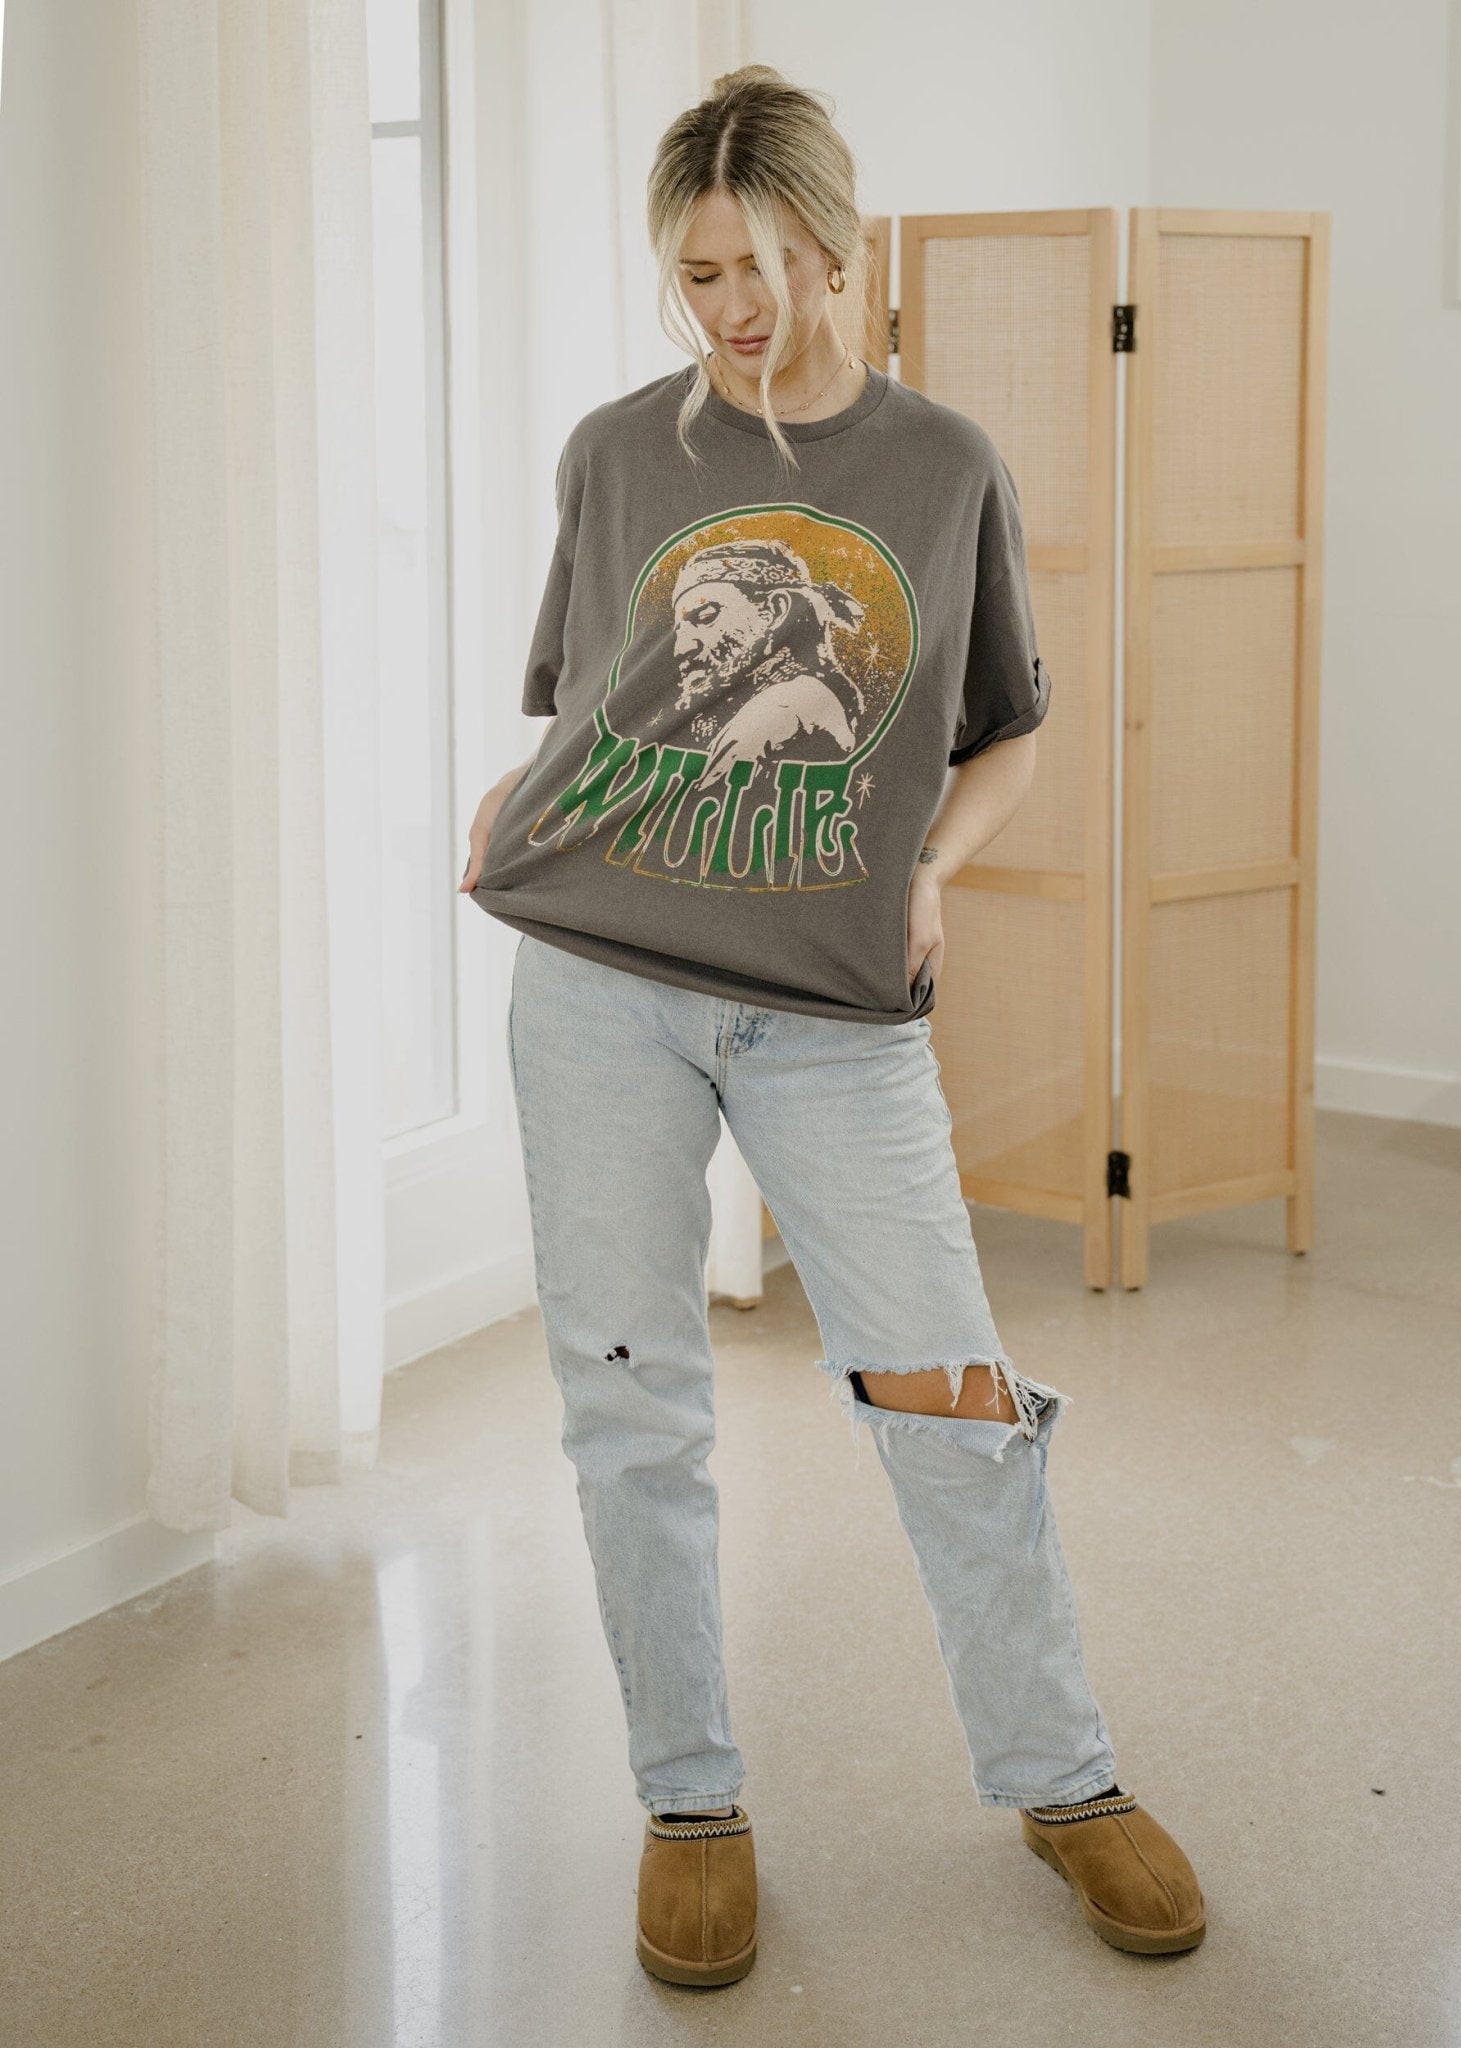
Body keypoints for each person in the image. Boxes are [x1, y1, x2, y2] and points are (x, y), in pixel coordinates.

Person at [460, 65, 1205, 1987]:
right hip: (597, 985)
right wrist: (523, 801)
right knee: (631, 1403)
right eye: (697, 271)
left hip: (832, 1014)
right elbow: (590, 705)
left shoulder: (943, 467)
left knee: (947, 1388)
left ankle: (1064, 1778)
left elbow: (1008, 731)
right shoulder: (615, 453)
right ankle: (689, 1800)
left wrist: (931, 860)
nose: (734, 307)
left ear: (839, 247)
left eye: (765, 264)